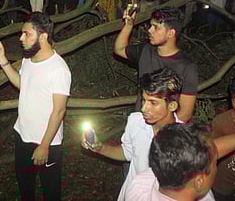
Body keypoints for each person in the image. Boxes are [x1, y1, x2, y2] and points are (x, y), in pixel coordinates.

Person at [81, 68, 214, 201]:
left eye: (153, 103)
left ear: (172, 105)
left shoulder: (185, 140)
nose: (144, 108)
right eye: (144, 100)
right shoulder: (135, 121)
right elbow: (128, 152)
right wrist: (100, 148)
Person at [126, 111, 235, 201]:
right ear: (199, 181)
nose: (216, 163)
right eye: (214, 164)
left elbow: (208, 149)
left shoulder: (141, 186)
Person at [0, 12, 71, 200]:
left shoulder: (58, 69)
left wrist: (44, 145)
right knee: (26, 189)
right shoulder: (28, 59)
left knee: (50, 193)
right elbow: (23, 84)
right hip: (22, 135)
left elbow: (59, 112)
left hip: (47, 142)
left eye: (26, 33)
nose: (20, 38)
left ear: (43, 36)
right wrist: (3, 61)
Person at [114, 7, 197, 123]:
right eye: (151, 26)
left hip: (168, 132)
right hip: (141, 121)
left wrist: (161, 133)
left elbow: (185, 113)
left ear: (171, 33)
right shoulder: (145, 50)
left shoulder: (186, 67)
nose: (150, 30)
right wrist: (128, 26)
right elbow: (119, 49)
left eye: (156, 27)